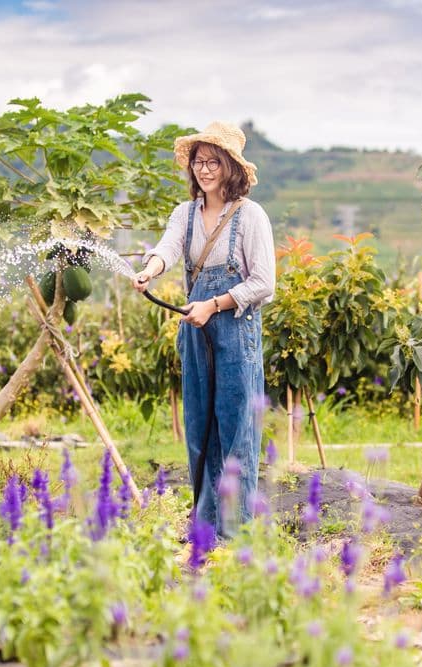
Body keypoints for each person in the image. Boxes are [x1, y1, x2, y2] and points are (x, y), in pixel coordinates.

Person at [132, 121, 275, 536]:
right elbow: (168, 247)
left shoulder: (250, 216)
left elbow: (264, 283)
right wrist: (150, 270)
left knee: (236, 429)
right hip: (196, 332)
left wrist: (213, 305)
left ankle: (236, 532)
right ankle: (206, 529)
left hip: (235, 332)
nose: (205, 169)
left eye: (214, 161)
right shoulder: (186, 214)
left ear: (231, 166)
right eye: (199, 161)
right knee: (199, 427)